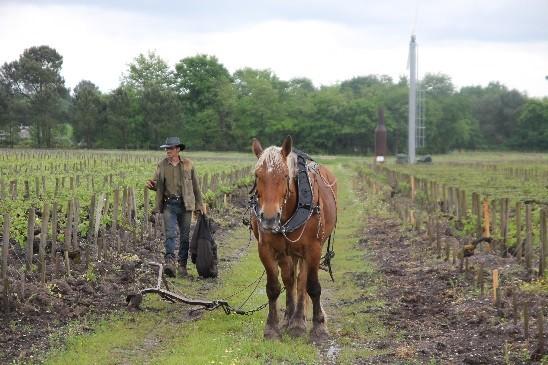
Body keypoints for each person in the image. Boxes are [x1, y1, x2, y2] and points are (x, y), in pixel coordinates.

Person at [146, 137, 203, 277]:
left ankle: (182, 266)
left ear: (178, 149)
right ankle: (169, 263)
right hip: (169, 205)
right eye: (166, 148)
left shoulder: (188, 164)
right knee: (170, 234)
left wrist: (199, 205)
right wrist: (152, 186)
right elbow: (157, 185)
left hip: (186, 205)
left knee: (184, 237)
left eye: (170, 148)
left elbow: (196, 187)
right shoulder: (161, 165)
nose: (167, 151)